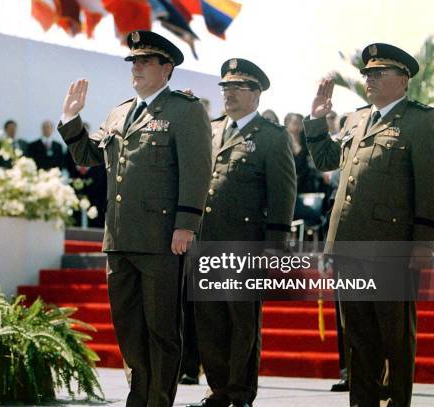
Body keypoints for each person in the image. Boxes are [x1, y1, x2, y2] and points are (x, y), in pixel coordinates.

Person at [58, 30, 212, 407]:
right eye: (134, 62)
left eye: (146, 61)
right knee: (128, 328)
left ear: (167, 69)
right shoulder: (120, 112)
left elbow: (196, 170)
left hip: (161, 238)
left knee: (161, 329)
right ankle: (138, 396)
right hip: (120, 238)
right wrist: (71, 118)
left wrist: (186, 224)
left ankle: (158, 400)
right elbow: (89, 156)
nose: (137, 67)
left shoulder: (184, 111)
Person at [304, 42, 434, 407]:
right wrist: (316, 119)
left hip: (391, 248)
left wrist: (423, 241)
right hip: (349, 247)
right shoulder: (356, 119)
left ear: (403, 79)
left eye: (379, 73)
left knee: (395, 337)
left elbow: (430, 183)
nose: (370, 79)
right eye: (367, 73)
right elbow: (327, 160)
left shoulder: (421, 120)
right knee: (358, 339)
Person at [187, 59, 296, 407]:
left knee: (242, 321)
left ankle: (240, 392)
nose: (228, 93)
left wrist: (275, 247)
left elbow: (283, 194)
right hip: (207, 241)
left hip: (245, 243)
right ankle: (218, 389)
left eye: (237, 87)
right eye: (225, 87)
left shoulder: (272, 137)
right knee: (210, 320)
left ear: (256, 94)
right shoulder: (213, 129)